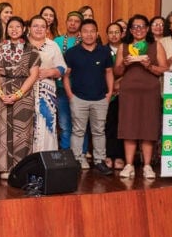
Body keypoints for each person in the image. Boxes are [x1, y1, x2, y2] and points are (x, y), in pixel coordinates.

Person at [114, 14, 168, 179]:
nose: (139, 29)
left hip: (150, 91)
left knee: (148, 127)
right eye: (135, 27)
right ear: (130, 30)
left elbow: (164, 69)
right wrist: (124, 63)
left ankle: (147, 166)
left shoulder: (156, 45)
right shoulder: (123, 47)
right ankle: (129, 165)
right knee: (128, 127)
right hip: (129, 92)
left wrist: (149, 66)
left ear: (147, 28)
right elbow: (117, 72)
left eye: (142, 26)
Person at [63, 19, 114, 175]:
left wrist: (109, 93)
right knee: (78, 131)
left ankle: (99, 161)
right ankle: (76, 160)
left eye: (92, 31)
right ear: (80, 34)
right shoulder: (72, 53)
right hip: (78, 98)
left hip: (100, 98)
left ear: (97, 33)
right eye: (85, 31)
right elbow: (66, 75)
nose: (89, 34)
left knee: (99, 131)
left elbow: (109, 72)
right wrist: (70, 95)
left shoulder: (104, 51)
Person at [0, 16, 40, 180]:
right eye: (11, 26)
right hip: (2, 92)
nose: (14, 29)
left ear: (24, 29)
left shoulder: (31, 50)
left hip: (24, 94)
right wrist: (0, 93)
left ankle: (21, 168)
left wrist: (18, 94)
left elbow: (33, 75)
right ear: (6, 29)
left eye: (18, 26)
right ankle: (3, 167)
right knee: (2, 131)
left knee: (23, 132)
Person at [28, 15, 66, 152]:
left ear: (47, 29)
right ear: (29, 28)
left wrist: (50, 72)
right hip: (25, 91)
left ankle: (46, 158)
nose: (39, 29)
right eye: (35, 26)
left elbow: (62, 68)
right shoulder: (22, 44)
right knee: (27, 125)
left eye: (42, 26)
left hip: (47, 93)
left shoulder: (52, 45)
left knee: (47, 126)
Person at [54, 11, 82, 150]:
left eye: (76, 21)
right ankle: (65, 152)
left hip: (80, 88)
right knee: (64, 124)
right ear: (66, 22)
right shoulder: (57, 41)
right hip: (60, 87)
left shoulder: (84, 41)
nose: (73, 23)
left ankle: (81, 153)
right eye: (70, 20)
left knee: (80, 123)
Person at [104, 21, 126, 170]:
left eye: (117, 32)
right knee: (108, 125)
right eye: (111, 32)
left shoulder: (128, 49)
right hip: (107, 93)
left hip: (125, 92)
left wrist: (120, 82)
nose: (114, 35)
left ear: (122, 34)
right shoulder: (102, 50)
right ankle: (108, 154)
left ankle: (120, 156)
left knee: (122, 125)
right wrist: (111, 86)